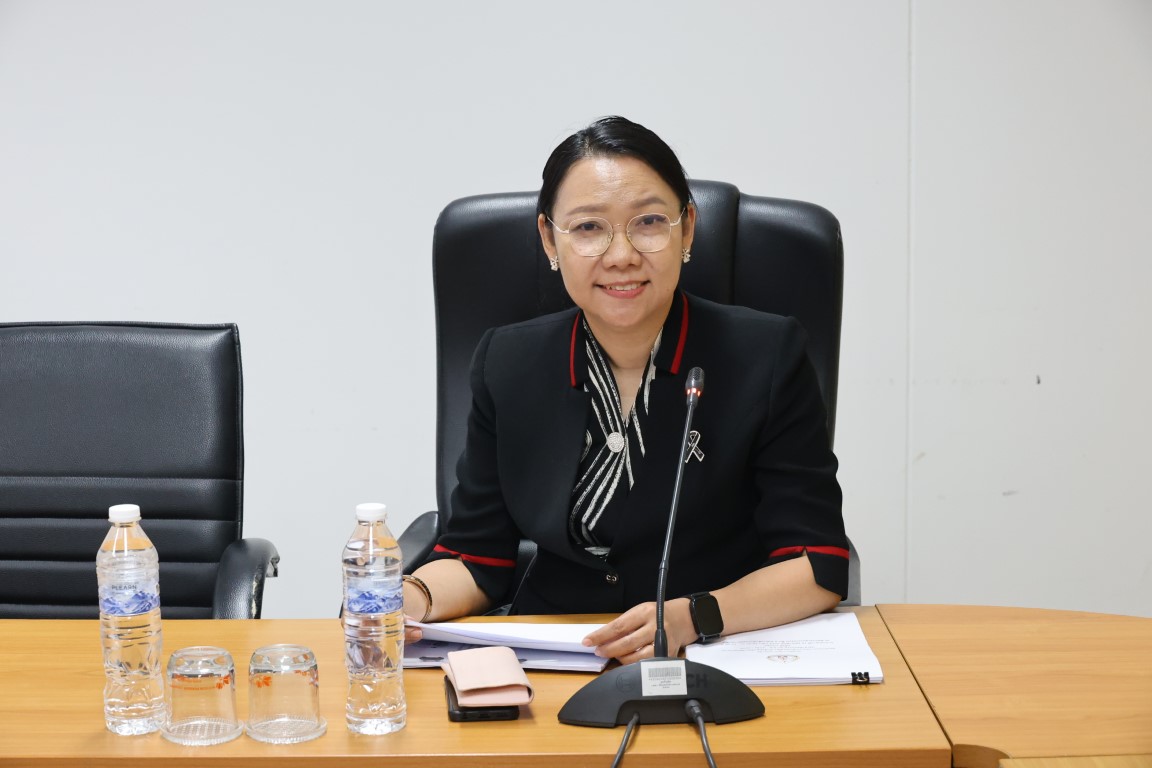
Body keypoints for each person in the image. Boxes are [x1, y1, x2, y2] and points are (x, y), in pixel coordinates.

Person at [402, 116, 848, 665]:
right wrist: (409, 598)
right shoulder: (507, 361)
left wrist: (695, 617)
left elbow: (817, 563)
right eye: (589, 227)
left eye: (649, 222)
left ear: (687, 229)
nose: (621, 255)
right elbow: (476, 557)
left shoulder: (766, 355)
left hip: (711, 654)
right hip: (555, 658)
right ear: (550, 240)